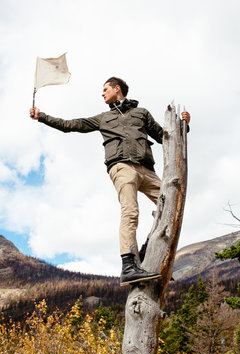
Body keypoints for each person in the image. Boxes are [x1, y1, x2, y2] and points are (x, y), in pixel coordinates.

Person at [30, 77, 190, 286]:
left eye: (105, 89)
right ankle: (129, 266)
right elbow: (71, 125)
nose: (102, 93)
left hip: (146, 169)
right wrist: (41, 116)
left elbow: (165, 137)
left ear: (117, 89)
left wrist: (183, 125)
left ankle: (147, 251)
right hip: (121, 167)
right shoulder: (103, 118)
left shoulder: (141, 113)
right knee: (130, 211)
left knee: (172, 203)